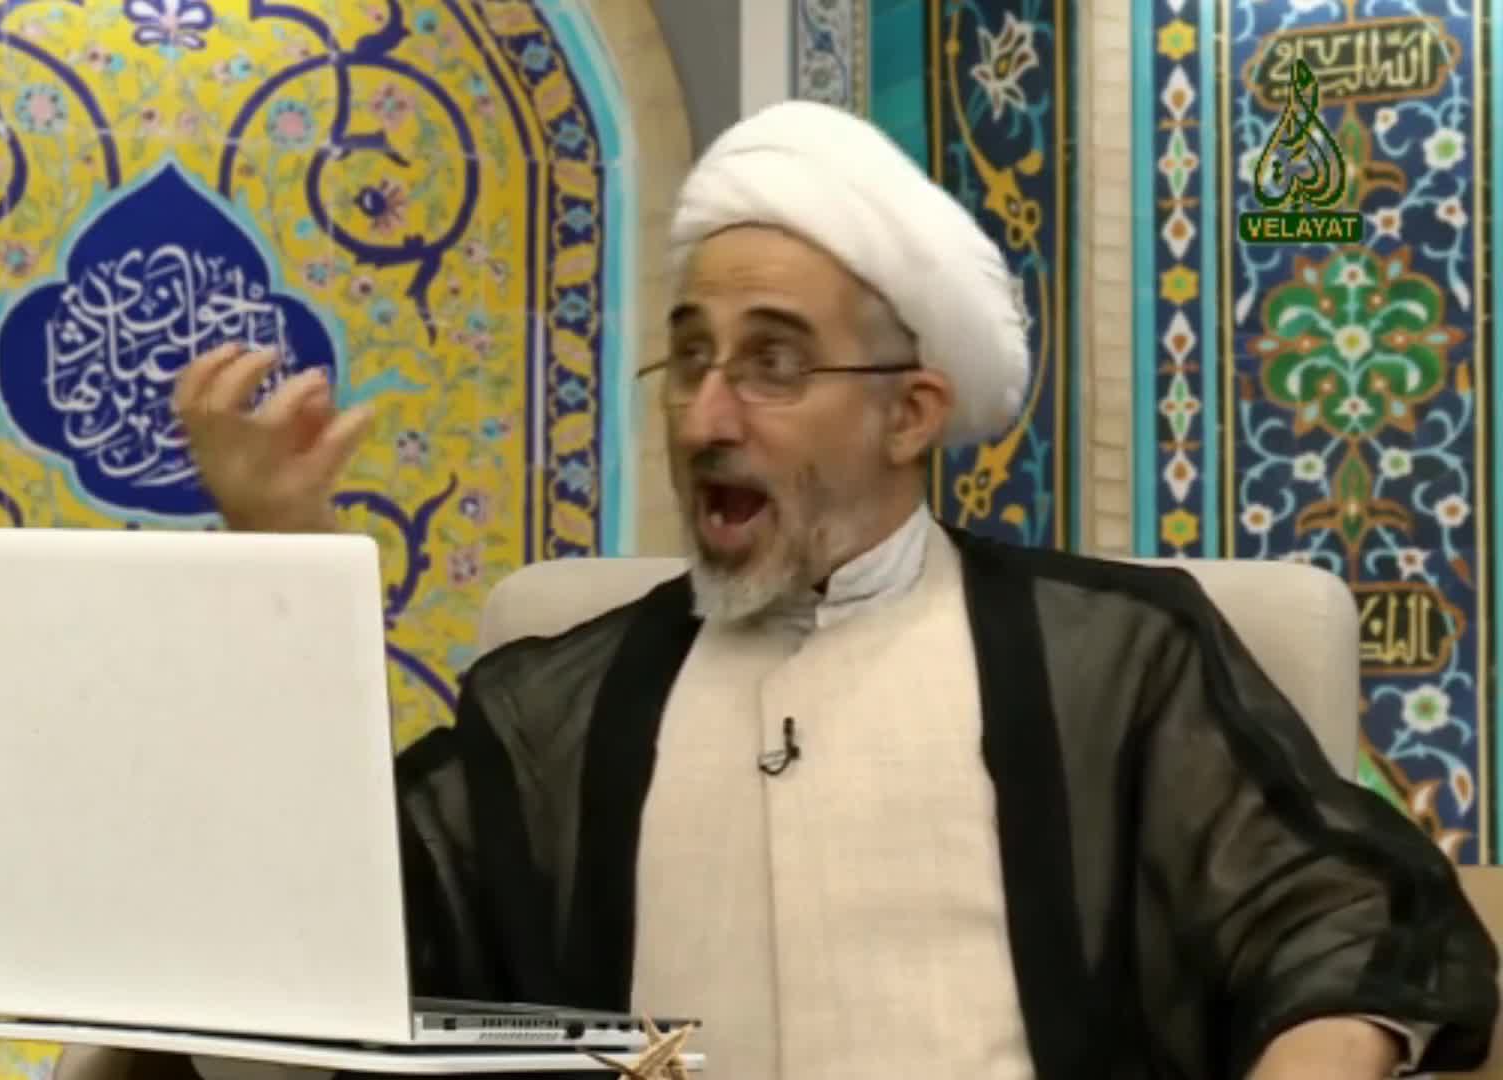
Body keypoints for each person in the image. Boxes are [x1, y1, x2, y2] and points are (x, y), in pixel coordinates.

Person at [73, 101, 1498, 1079]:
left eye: (771, 362)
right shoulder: (555, 707)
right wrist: (276, 555)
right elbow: (315, 954)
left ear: (910, 412)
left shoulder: (1109, 660)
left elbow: (1349, 922)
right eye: (691, 357)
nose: (707, 416)